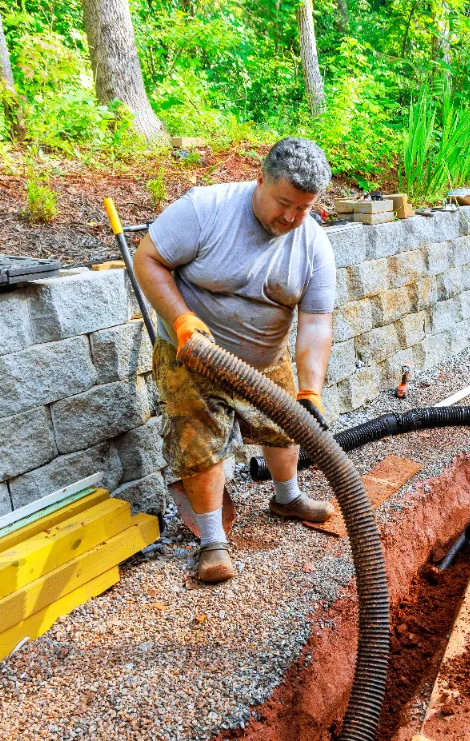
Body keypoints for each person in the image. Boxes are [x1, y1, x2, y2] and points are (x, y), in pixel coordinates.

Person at [133, 137, 337, 584]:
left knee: (287, 424)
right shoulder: (205, 210)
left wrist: (310, 391)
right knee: (200, 443)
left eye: (303, 208)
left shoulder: (314, 245)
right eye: (284, 202)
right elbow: (147, 260)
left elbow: (316, 323)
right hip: (193, 355)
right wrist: (181, 320)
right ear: (259, 178)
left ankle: (288, 497)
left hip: (265, 358)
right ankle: (212, 541)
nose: (291, 217)